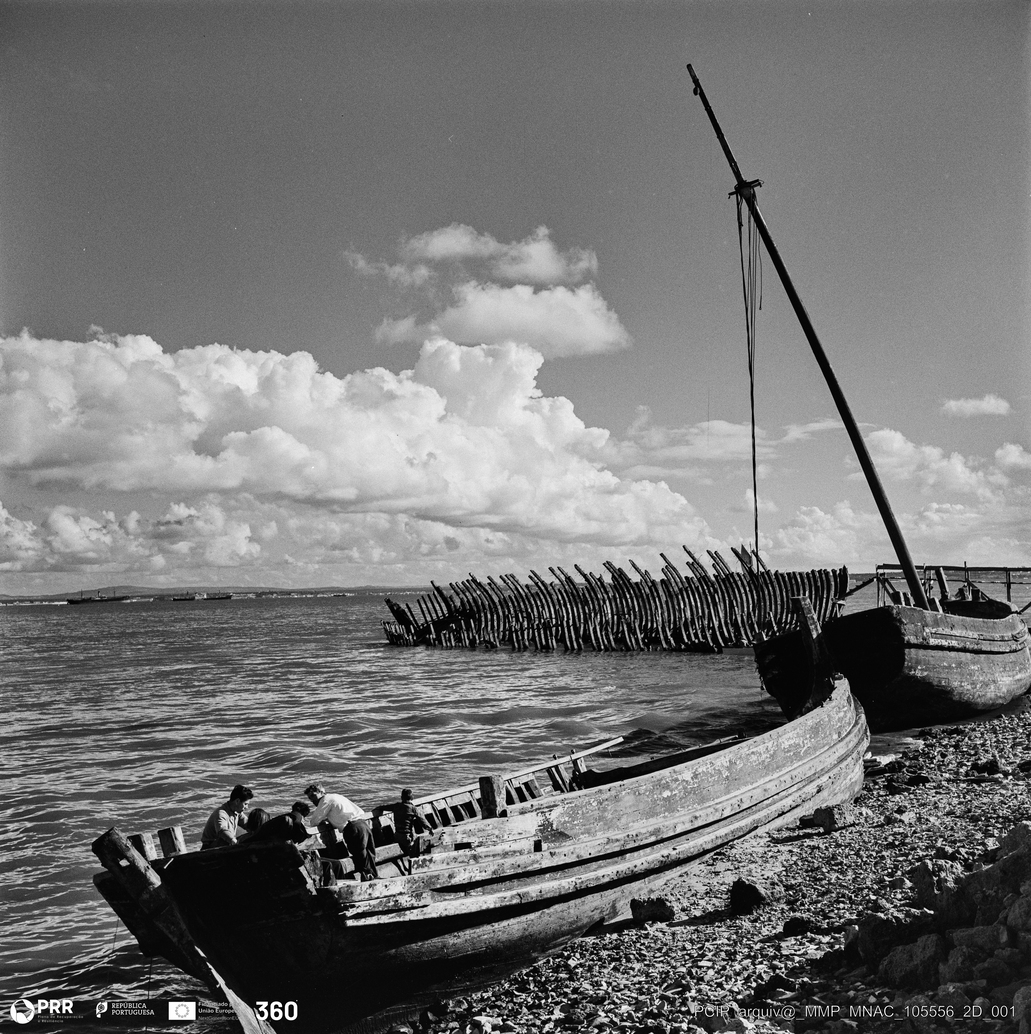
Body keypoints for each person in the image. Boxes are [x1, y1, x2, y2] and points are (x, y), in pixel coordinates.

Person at [304, 782, 378, 880]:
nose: (312, 800)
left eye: (313, 795)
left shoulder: (325, 800)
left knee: (359, 855)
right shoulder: (337, 796)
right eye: (310, 798)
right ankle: (374, 876)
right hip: (363, 824)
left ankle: (367, 878)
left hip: (352, 828)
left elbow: (314, 821)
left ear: (322, 792)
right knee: (369, 853)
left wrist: (323, 821)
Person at [200, 784, 254, 849]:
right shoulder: (221, 813)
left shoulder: (237, 812)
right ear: (237, 801)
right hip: (209, 848)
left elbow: (248, 824)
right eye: (245, 804)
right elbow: (222, 831)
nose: (246, 807)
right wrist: (234, 841)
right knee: (225, 840)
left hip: (223, 845)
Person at [391, 788, 431, 857]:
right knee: (420, 841)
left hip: (397, 836)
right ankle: (417, 858)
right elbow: (422, 820)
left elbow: (383, 807)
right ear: (412, 798)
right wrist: (430, 829)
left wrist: (378, 809)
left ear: (401, 797)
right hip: (407, 837)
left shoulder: (396, 806)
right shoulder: (413, 808)